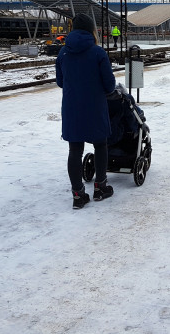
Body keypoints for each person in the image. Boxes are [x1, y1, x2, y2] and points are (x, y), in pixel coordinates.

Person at [55, 14, 116, 208]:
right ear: (91, 30)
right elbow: (109, 85)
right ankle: (100, 187)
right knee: (100, 145)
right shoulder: (98, 53)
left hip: (72, 108)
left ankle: (78, 195)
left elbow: (60, 82)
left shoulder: (63, 53)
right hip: (95, 106)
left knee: (75, 149)